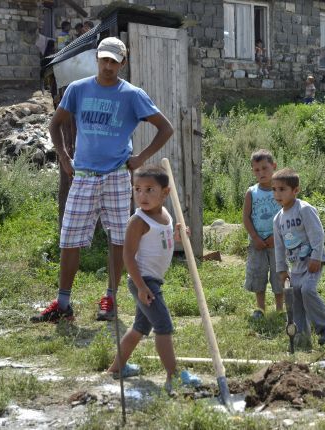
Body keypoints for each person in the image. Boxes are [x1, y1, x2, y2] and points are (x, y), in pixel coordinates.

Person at [31, 37, 174, 323]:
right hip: (83, 175)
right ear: (97, 58)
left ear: (124, 62)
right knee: (69, 237)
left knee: (119, 238)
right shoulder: (78, 89)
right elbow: (56, 123)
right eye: (104, 59)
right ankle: (63, 303)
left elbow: (165, 128)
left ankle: (110, 297)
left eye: (114, 61)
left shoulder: (132, 94)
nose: (108, 66)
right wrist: (63, 157)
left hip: (117, 177)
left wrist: (140, 158)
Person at [106, 165, 200, 392]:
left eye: (149, 190)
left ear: (165, 193)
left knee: (139, 327)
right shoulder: (138, 221)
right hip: (143, 281)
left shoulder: (165, 215)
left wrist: (179, 236)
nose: (142, 196)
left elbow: (165, 242)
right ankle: (173, 376)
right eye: (137, 189)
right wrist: (140, 286)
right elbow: (127, 257)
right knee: (163, 325)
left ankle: (116, 368)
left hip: (153, 281)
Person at [272, 168, 325, 348]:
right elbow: (279, 246)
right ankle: (301, 333)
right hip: (296, 266)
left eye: (282, 189)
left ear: (295, 190)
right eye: (274, 189)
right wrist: (282, 269)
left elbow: (317, 234)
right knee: (296, 298)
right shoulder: (278, 219)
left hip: (312, 262)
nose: (278, 194)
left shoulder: (304, 209)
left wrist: (316, 256)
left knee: (307, 290)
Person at [242, 149, 283, 319]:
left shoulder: (280, 190)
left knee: (279, 273)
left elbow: (287, 213)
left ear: (274, 166)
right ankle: (260, 308)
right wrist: (255, 237)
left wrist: (277, 237)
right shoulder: (252, 192)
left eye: (265, 168)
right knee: (258, 273)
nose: (261, 173)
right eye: (257, 170)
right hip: (257, 243)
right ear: (253, 171)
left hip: (278, 242)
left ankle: (280, 309)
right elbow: (246, 217)